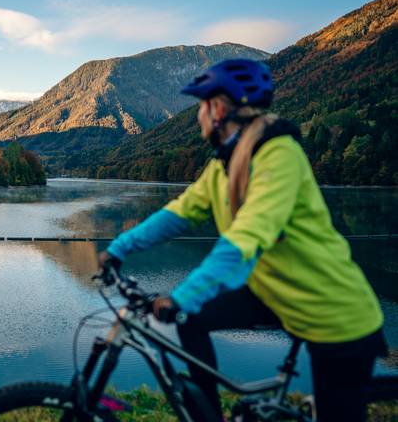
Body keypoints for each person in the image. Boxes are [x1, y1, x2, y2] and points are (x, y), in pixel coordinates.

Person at [98, 59, 387, 421]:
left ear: (218, 109)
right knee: (190, 317)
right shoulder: (223, 165)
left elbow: (247, 236)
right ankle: (207, 415)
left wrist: (184, 294)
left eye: (201, 107)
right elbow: (177, 213)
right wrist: (118, 249)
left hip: (333, 313)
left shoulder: (279, 155)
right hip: (276, 293)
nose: (199, 116)